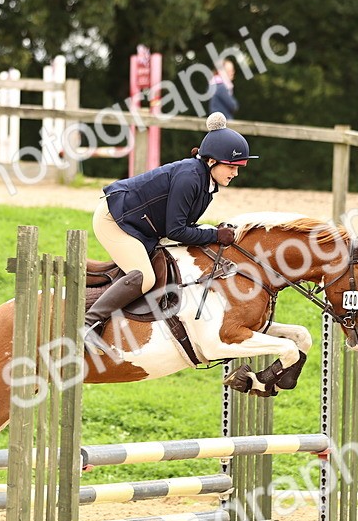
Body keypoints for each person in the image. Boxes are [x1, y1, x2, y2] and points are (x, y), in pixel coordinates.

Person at [84, 112, 258, 360]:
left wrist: (212, 231)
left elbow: (182, 225)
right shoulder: (190, 178)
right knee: (143, 277)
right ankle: (87, 325)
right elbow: (177, 230)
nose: (235, 173)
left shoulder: (206, 182)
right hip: (114, 219)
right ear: (211, 162)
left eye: (239, 168)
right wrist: (214, 234)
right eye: (231, 167)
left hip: (141, 225)